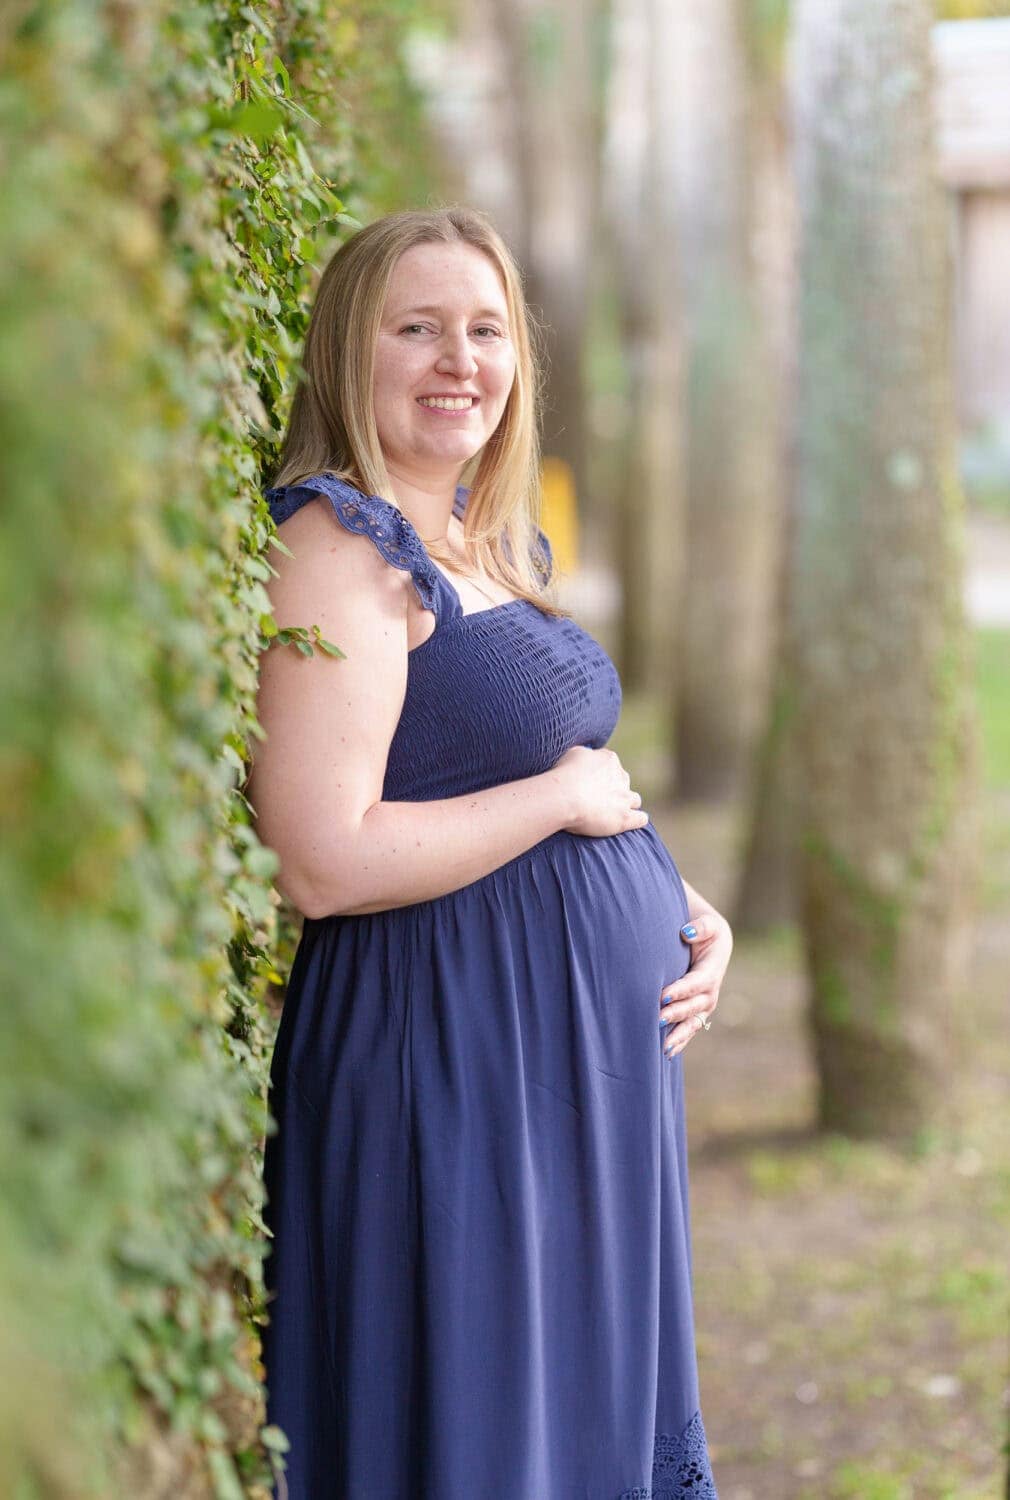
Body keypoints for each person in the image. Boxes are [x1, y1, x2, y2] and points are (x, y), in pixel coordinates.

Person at [247, 205, 731, 1499]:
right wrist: (563, 801)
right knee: (479, 1432)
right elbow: (322, 857)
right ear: (351, 351)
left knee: (577, 1431)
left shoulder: (479, 539)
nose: (458, 359)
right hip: (450, 1068)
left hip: (566, 1079)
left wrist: (683, 908)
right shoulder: (337, 549)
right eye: (417, 329)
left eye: (485, 329)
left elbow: (544, 783)